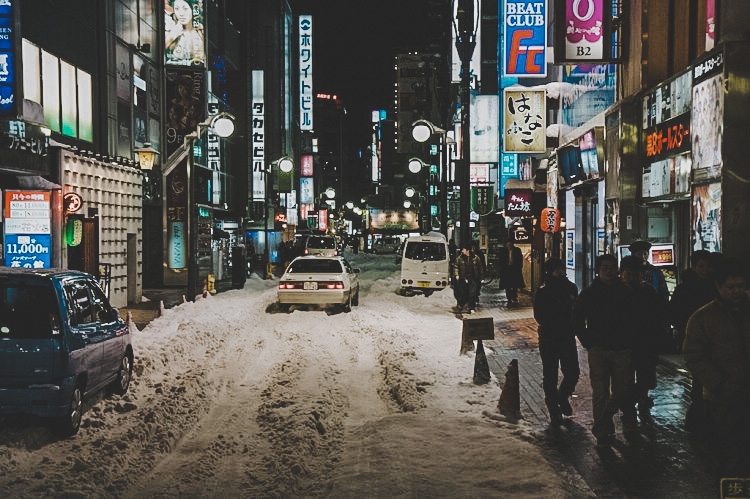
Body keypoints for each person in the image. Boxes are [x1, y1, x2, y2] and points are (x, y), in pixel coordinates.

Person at [683, 258, 750, 478]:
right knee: (728, 452)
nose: (736, 291)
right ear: (719, 287)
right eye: (731, 287)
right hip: (722, 398)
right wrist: (717, 384)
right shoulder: (703, 318)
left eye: (740, 286)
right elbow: (694, 356)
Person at [573, 254, 636, 447]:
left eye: (612, 267)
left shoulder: (626, 293)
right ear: (598, 270)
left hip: (622, 349)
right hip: (598, 349)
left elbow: (635, 319)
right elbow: (576, 318)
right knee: (600, 392)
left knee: (621, 390)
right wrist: (587, 341)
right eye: (605, 268)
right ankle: (602, 432)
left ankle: (605, 418)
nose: (609, 271)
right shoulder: (589, 293)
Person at [670, 250, 717, 434]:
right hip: (695, 340)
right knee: (700, 377)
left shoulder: (717, 286)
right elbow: (676, 312)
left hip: (714, 340)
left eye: (708, 266)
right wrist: (684, 331)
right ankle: (699, 418)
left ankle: (702, 418)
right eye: (701, 266)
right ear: (694, 267)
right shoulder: (685, 288)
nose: (705, 270)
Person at [533, 257, 580, 425]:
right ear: (550, 271)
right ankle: (553, 407)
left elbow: (577, 311)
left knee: (573, 372)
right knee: (550, 375)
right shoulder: (544, 290)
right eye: (556, 269)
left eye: (561, 268)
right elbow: (539, 315)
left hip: (567, 336)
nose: (560, 271)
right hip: (549, 338)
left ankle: (562, 396)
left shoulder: (571, 288)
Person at [620, 255, 666, 424]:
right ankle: (629, 408)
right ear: (622, 273)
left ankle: (636, 400)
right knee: (625, 379)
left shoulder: (648, 291)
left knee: (645, 377)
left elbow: (657, 316)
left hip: (644, 342)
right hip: (623, 343)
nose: (631, 276)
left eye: (635, 273)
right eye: (628, 273)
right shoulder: (617, 292)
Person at [165, 0, 206, 66]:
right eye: (177, 9)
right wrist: (173, 34)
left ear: (193, 9)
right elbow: (157, 51)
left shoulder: (201, 30)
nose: (181, 13)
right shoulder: (170, 30)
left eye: (185, 9)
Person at [452, 243, 483, 314]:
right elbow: (456, 267)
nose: (462, 251)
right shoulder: (459, 258)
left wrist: (481, 277)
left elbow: (480, 267)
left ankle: (471, 307)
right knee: (463, 293)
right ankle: (461, 304)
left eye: (463, 249)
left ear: (467, 250)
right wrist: (457, 275)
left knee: (472, 293)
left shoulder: (475, 258)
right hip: (463, 278)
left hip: (472, 278)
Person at [498, 237, 525, 306]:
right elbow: (501, 261)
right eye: (508, 244)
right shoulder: (503, 251)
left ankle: (514, 296)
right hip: (506, 270)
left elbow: (520, 260)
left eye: (510, 244)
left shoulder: (517, 250)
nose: (509, 246)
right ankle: (509, 298)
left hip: (514, 269)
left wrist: (519, 267)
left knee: (515, 285)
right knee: (507, 285)